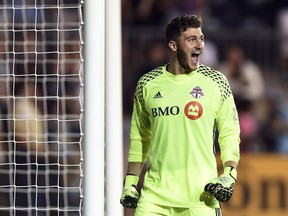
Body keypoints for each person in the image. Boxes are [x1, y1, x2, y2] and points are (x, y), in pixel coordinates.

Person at [120, 15, 240, 216]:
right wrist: (131, 181)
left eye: (201, 39)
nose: (200, 45)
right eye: (191, 39)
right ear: (173, 46)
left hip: (200, 199)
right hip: (154, 199)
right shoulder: (147, 84)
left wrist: (230, 173)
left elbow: (229, 132)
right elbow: (140, 138)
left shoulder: (216, 82)